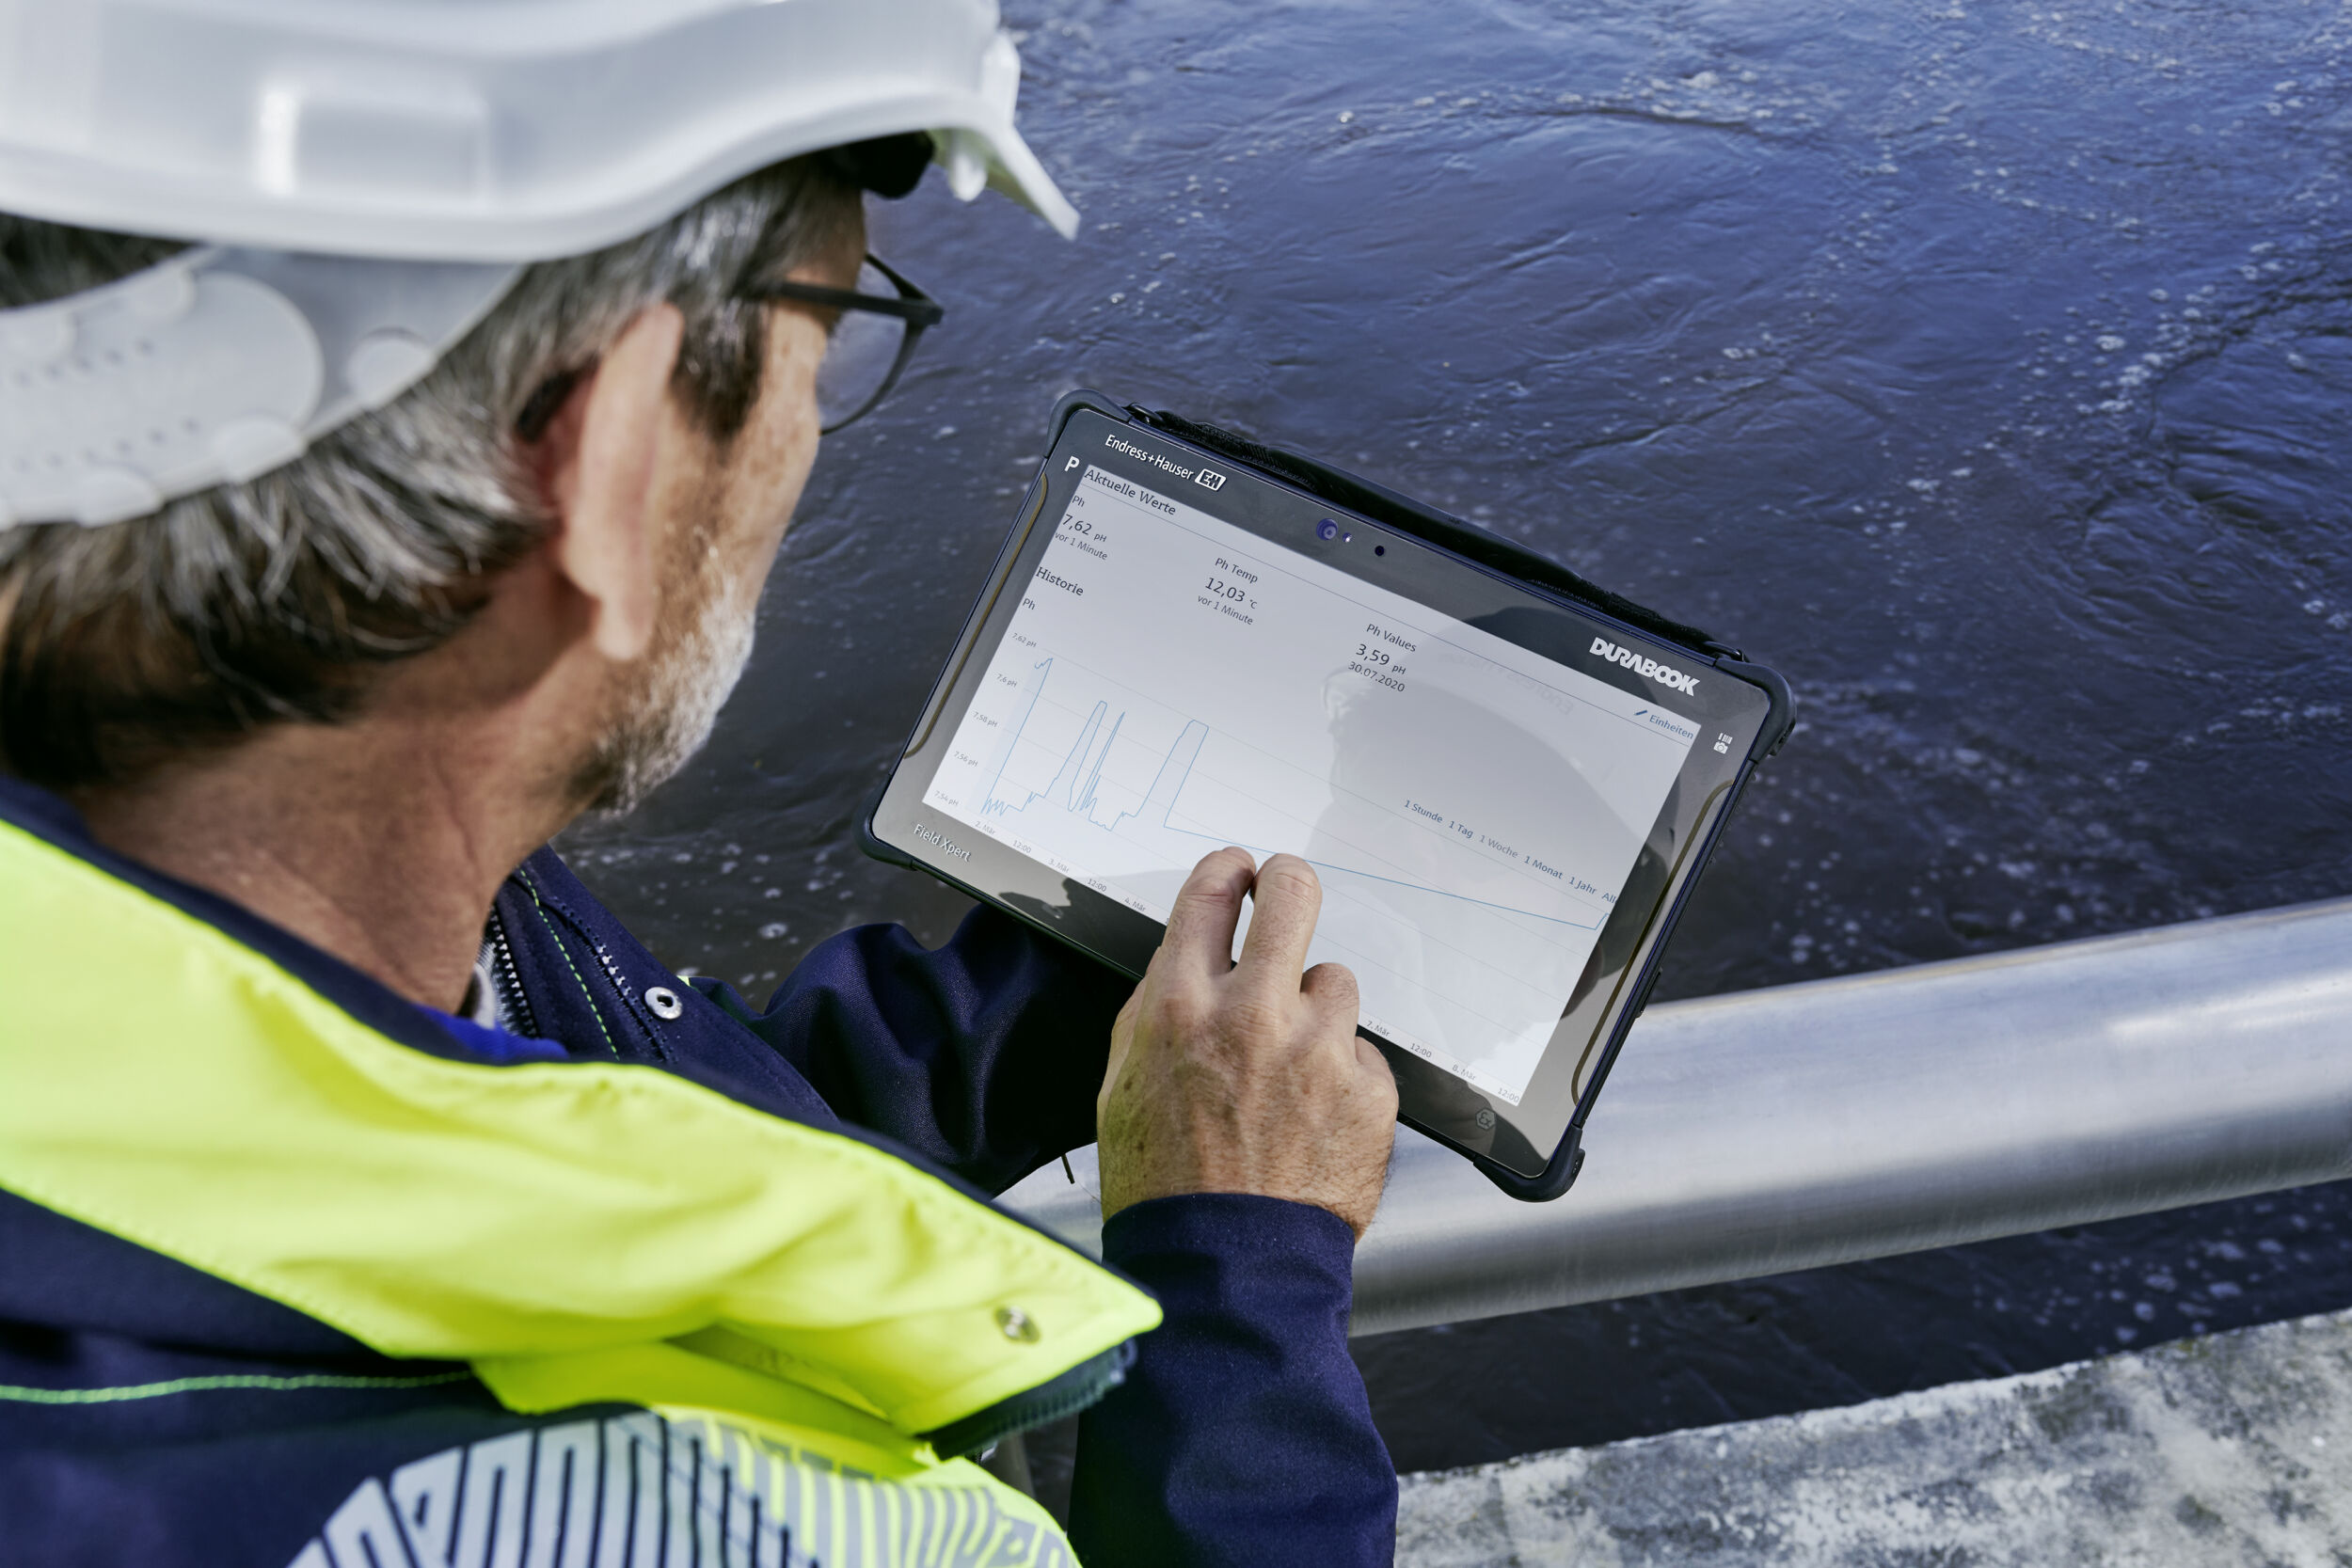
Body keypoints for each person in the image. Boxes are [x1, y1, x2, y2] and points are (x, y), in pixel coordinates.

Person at [0, 4, 1401, 1564]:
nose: (806, 432)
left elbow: (544, 1118)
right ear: (599, 464)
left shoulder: (307, 894)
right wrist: (1241, 1270)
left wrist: (1069, 995)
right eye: (834, 328)